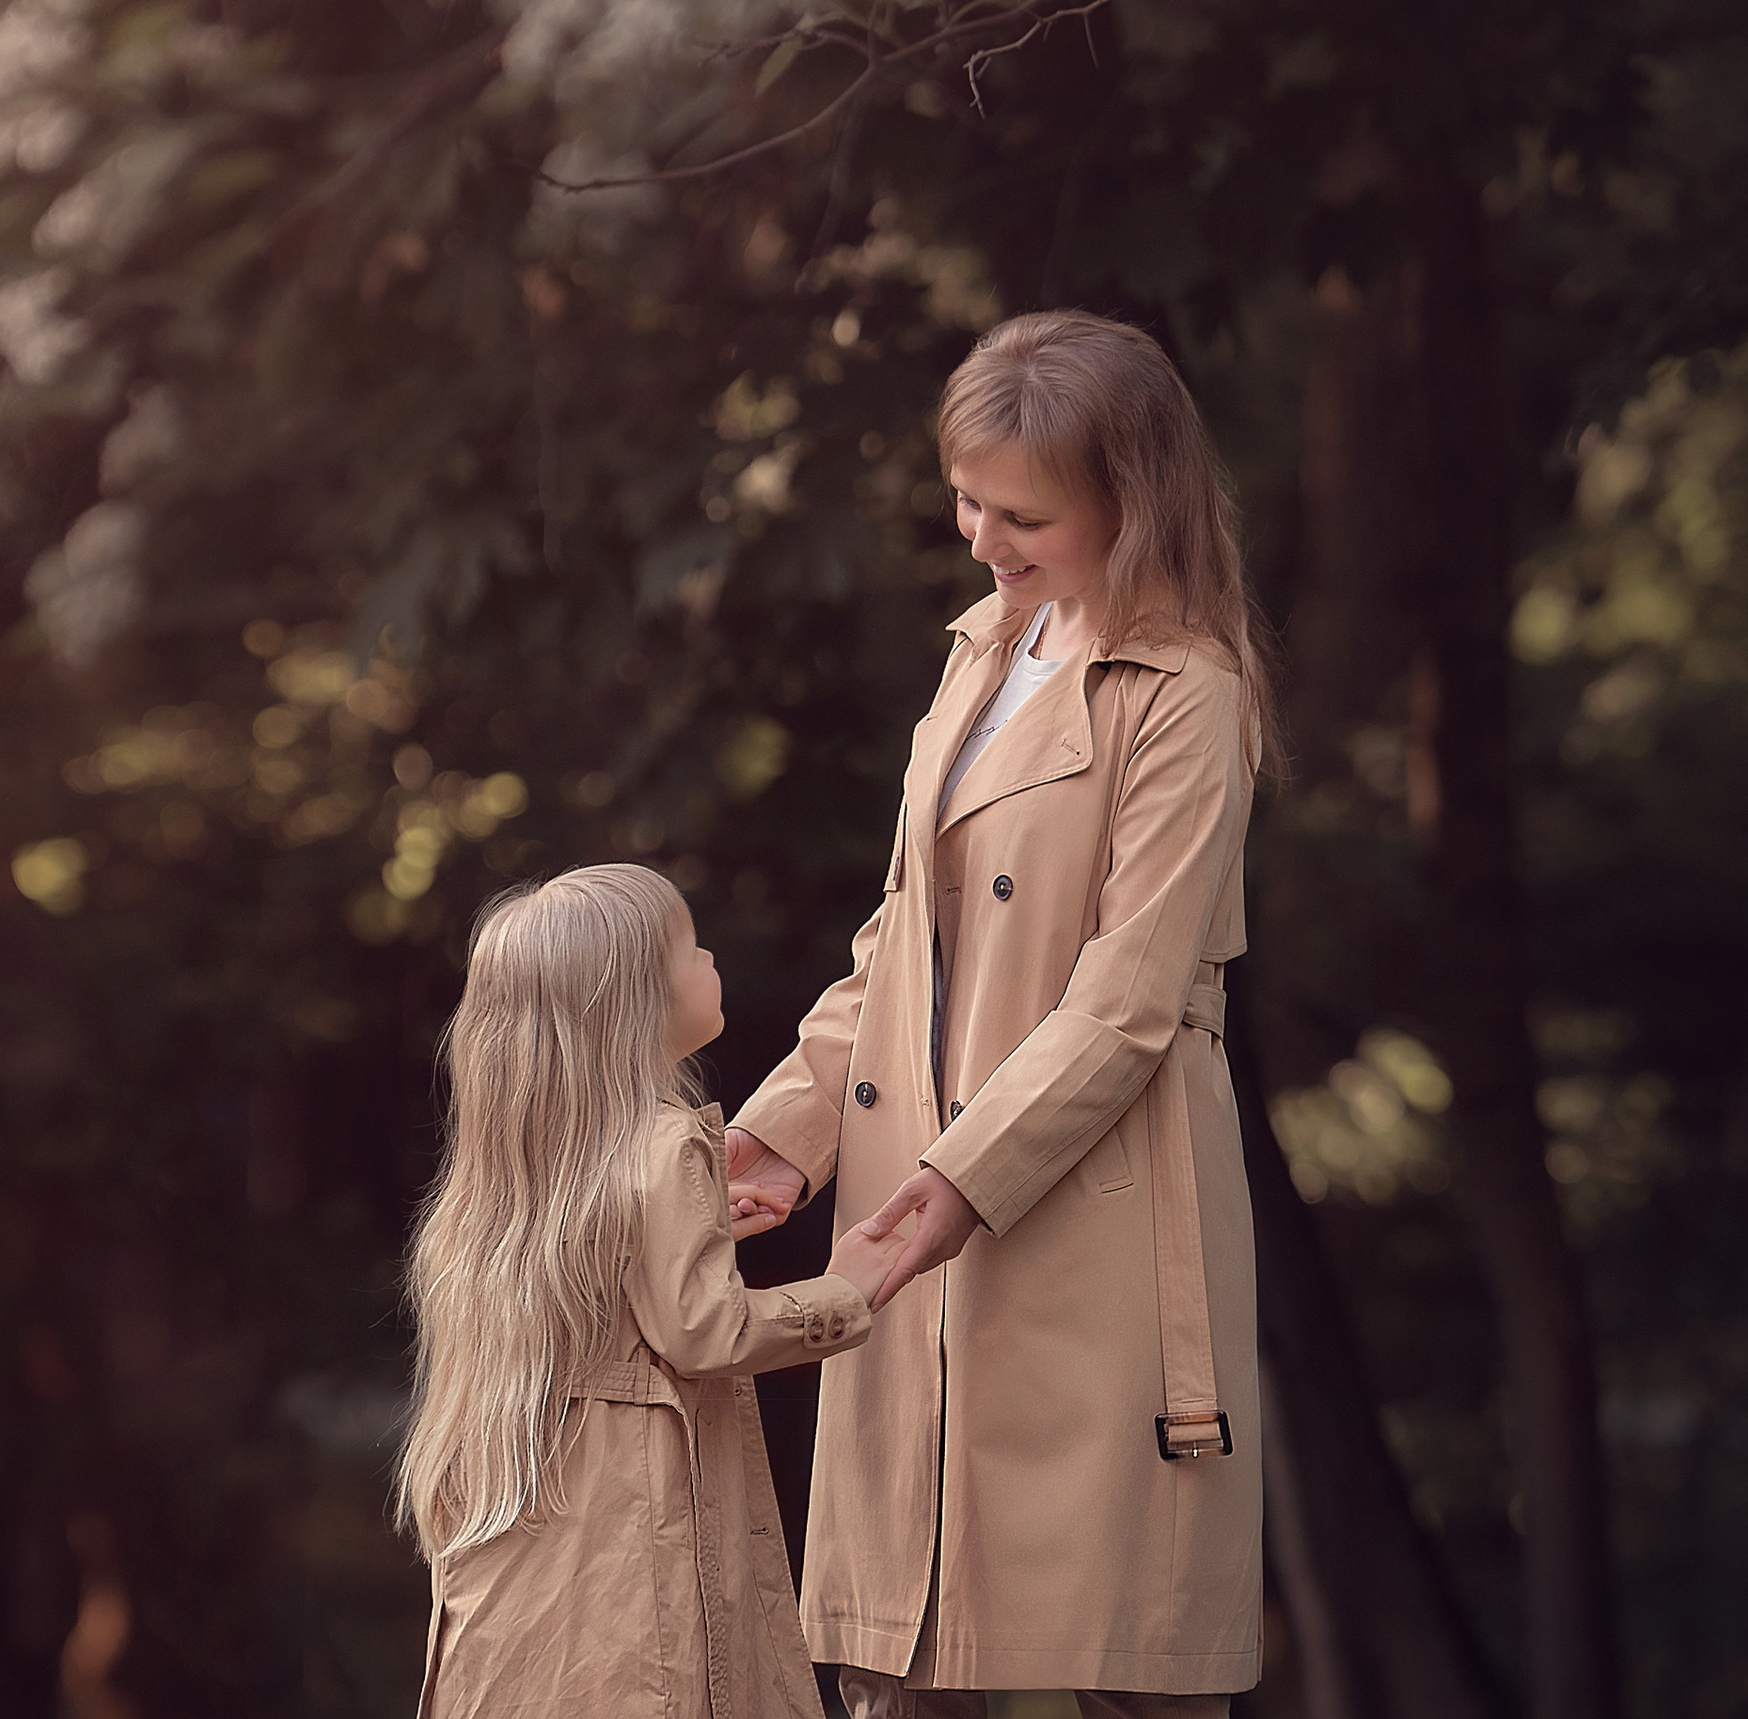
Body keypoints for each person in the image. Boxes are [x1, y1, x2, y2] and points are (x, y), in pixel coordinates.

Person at [725, 310, 1274, 1719]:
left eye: (1022, 513)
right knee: (897, 1659)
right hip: (914, 1210)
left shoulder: (1189, 693)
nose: (981, 537)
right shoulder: (980, 653)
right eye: (966, 496)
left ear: (1128, 499)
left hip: (1089, 1212)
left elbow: (1131, 998)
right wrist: (789, 1129)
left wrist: (959, 1182)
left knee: (1131, 1665)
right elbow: (902, 939)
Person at [397, 862, 903, 1719]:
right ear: (630, 999)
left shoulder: (510, 1176)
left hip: (544, 1558)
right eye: (687, 947)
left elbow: (615, 1287)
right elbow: (706, 1333)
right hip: (642, 1530)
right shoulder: (665, 1145)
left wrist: (697, 1236)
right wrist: (843, 1290)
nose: (709, 956)